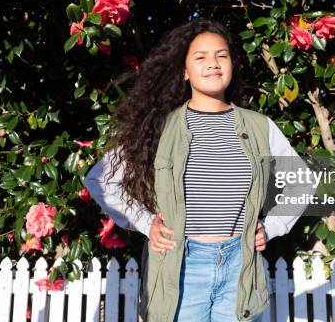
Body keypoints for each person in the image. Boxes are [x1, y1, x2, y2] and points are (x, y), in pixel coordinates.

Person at [84, 17, 315, 322]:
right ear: (184, 70)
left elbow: (302, 182)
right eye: (200, 57)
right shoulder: (159, 128)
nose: (213, 64)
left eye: (221, 56)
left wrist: (272, 227)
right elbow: (100, 180)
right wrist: (145, 222)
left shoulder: (260, 127)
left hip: (239, 269)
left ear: (232, 66)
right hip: (179, 270)